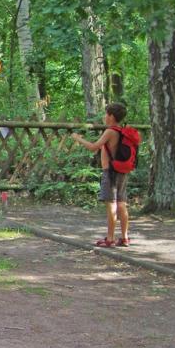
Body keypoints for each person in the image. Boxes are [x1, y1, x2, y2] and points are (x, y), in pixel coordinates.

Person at [71, 103, 130, 247]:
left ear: (111, 116)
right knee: (121, 203)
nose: (104, 116)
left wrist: (77, 138)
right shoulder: (122, 131)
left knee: (111, 204)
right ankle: (124, 237)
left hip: (110, 172)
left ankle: (110, 239)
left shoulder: (110, 131)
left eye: (106, 114)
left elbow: (93, 147)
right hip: (122, 171)